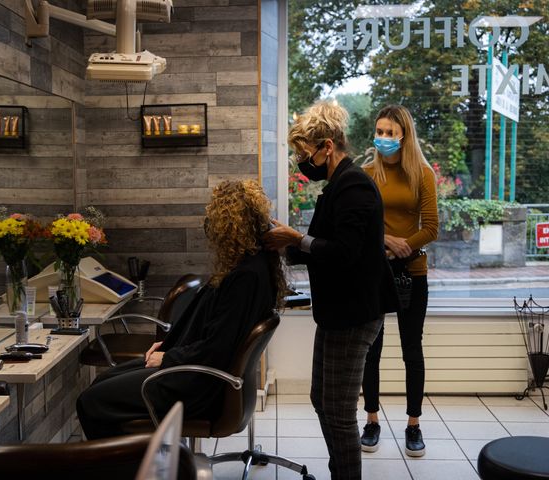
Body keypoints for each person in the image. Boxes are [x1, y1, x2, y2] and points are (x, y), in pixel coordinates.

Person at [77, 179, 286, 440]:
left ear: (229, 224)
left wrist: (169, 358)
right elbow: (211, 331)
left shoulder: (245, 277)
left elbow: (217, 348)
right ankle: (132, 461)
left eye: (214, 217)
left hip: (196, 385)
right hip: (198, 373)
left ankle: (124, 465)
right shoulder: (250, 265)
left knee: (91, 400)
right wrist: (167, 346)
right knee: (101, 384)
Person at [263, 101, 398, 480]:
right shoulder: (338, 185)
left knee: (337, 412)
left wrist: (296, 238)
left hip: (353, 315)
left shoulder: (353, 185)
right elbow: (323, 245)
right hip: (338, 312)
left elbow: (344, 252)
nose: (301, 163)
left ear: (327, 146)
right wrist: (285, 245)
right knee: (322, 401)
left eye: (304, 154)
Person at [360, 104, 439, 457]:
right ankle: (372, 419)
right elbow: (358, 226)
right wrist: (383, 243)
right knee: (370, 349)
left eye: (390, 132)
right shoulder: (365, 174)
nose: (383, 138)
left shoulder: (422, 173)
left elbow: (432, 228)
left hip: (412, 271)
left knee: (412, 350)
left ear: (404, 135)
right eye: (379, 131)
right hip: (375, 271)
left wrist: (402, 246)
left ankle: (413, 424)